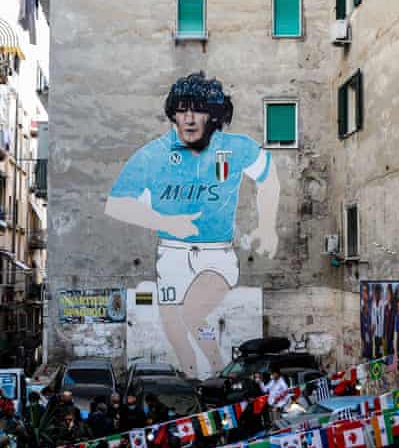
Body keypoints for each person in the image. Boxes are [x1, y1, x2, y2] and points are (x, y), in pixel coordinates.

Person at [105, 72, 280, 377]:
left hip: (217, 253)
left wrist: (267, 227)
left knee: (193, 313)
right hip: (171, 253)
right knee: (172, 324)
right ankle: (189, 374)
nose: (188, 118)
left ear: (212, 115)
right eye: (181, 110)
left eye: (197, 110)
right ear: (172, 113)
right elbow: (117, 203)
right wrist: (165, 221)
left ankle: (216, 368)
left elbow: (269, 177)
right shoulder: (153, 154)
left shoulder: (236, 147)